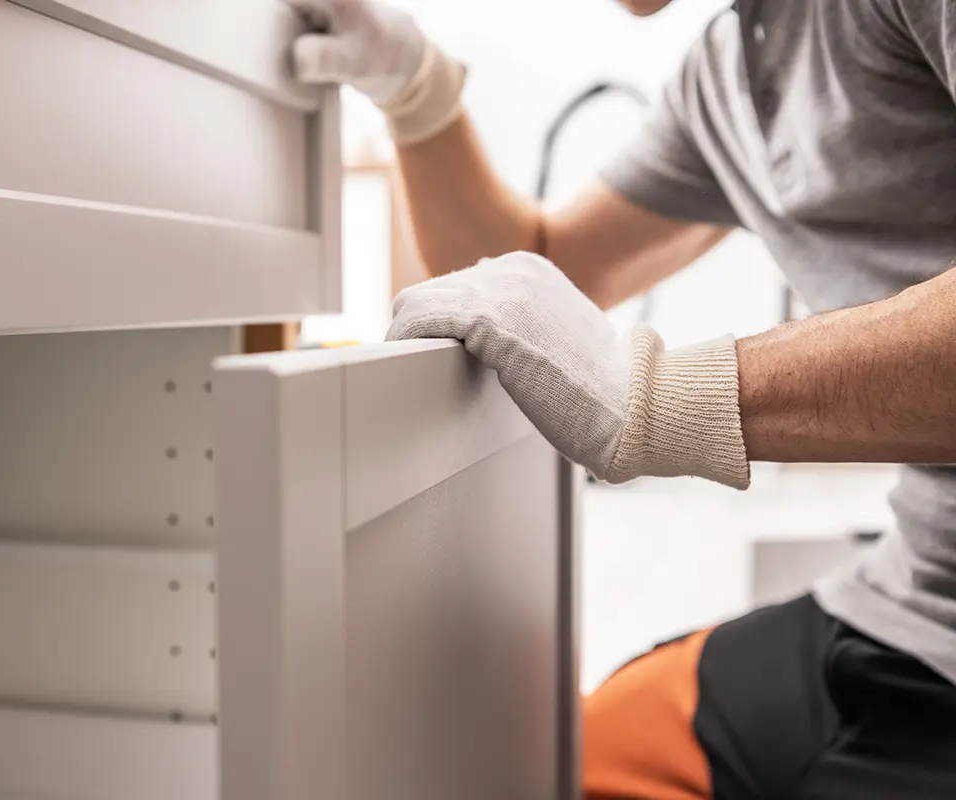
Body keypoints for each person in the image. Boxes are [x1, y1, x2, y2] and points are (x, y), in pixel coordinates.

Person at [289, 0, 956, 796]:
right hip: (906, 604)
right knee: (560, 765)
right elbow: (536, 264)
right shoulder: (724, 79)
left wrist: (656, 399)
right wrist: (416, 91)